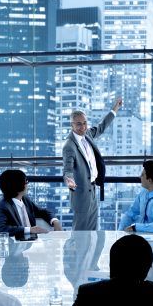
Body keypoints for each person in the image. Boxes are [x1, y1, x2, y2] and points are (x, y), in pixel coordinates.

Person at [62, 98, 123, 230]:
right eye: (78, 124)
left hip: (93, 190)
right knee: (80, 232)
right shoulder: (69, 145)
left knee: (92, 230)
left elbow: (101, 127)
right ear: (71, 125)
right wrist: (69, 180)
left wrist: (114, 110)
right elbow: (68, 168)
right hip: (81, 193)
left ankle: (89, 251)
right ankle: (75, 251)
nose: (82, 127)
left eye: (84, 123)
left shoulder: (87, 135)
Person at [0, 169, 61, 239]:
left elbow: (42, 212)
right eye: (26, 181)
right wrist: (29, 230)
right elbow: (0, 229)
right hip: (16, 246)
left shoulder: (25, 200)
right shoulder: (2, 206)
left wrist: (55, 221)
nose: (28, 184)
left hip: (32, 243)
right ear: (19, 185)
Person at [119, 159, 153, 233]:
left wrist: (137, 227)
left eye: (142, 175)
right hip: (143, 237)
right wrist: (120, 232)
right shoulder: (143, 193)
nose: (139, 177)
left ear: (150, 180)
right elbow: (131, 213)